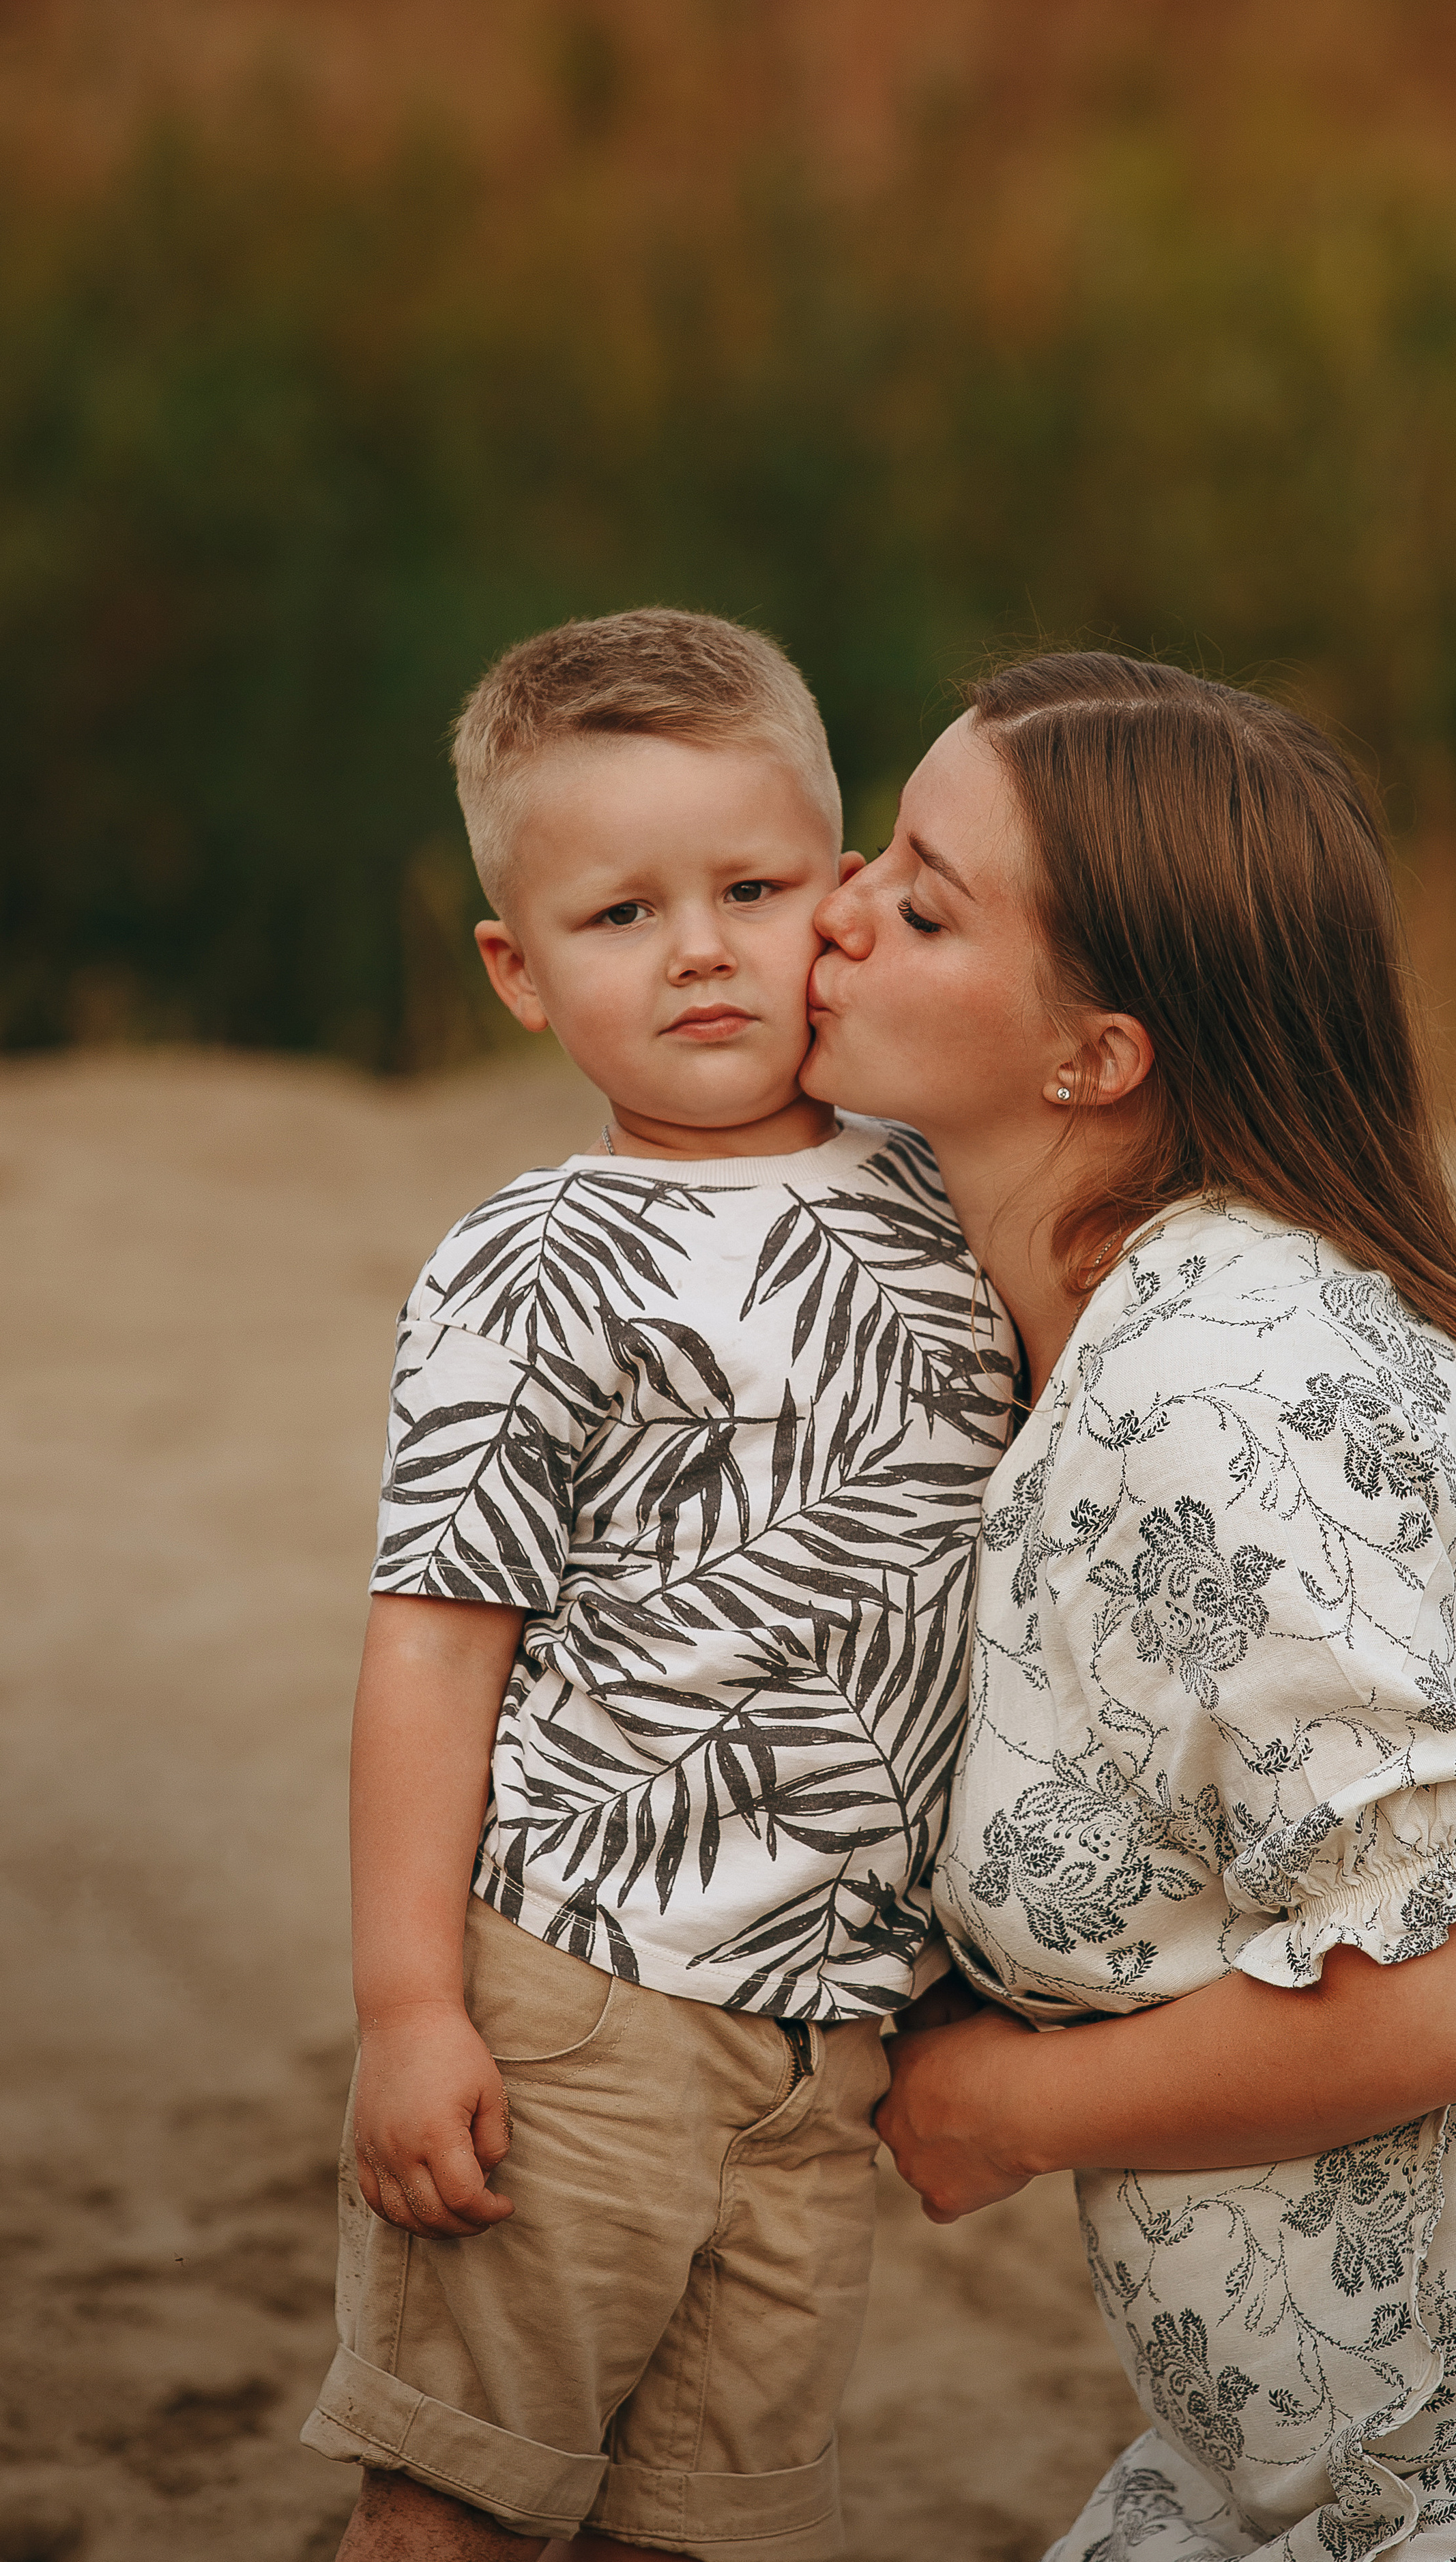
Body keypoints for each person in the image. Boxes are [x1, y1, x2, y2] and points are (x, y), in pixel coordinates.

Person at [801, 651, 1456, 2559]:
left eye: (922, 905)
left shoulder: (1211, 1396)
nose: (832, 910)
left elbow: (1435, 2005)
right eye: (872, 854)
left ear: (1098, 1057)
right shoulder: (1048, 1308)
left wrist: (1004, 2109)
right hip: (1343, 2433)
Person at [301, 609, 1019, 2561]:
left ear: (844, 897)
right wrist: (408, 2009)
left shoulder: (945, 1183)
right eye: (621, 915)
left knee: (714, 2519)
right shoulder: (533, 1261)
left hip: (831, 2034)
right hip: (580, 1994)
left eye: (752, 891)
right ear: (517, 973)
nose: (700, 948)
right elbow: (436, 1643)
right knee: (455, 2496)